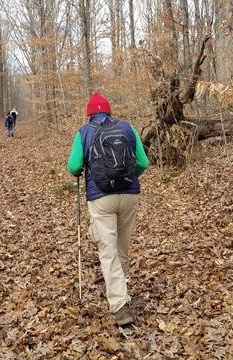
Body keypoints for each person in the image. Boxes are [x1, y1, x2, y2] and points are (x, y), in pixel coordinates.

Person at [66, 92, 149, 326]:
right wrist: (130, 178)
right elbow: (143, 163)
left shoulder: (84, 132)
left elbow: (73, 165)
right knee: (122, 247)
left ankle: (120, 305)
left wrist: (78, 172)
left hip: (101, 197)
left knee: (108, 250)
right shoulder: (128, 129)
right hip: (129, 195)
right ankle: (121, 292)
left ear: (90, 113)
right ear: (110, 111)